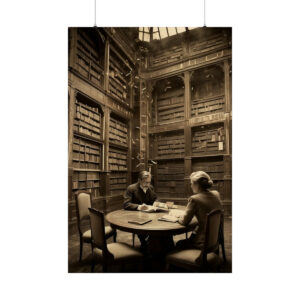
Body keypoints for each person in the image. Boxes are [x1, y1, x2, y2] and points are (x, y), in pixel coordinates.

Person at [175, 171, 222, 249]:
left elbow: (184, 222)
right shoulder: (216, 194)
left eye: (191, 183)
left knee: (179, 244)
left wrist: (176, 218)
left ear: (196, 184)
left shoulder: (194, 199)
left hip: (202, 241)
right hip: (215, 238)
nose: (191, 186)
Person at [123, 171, 158, 252]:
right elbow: (126, 204)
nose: (147, 185)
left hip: (149, 214)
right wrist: (139, 207)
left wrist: (156, 202)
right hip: (135, 216)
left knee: (157, 226)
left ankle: (154, 243)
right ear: (139, 180)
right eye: (145, 182)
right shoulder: (131, 188)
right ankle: (145, 245)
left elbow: (155, 198)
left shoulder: (150, 187)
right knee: (142, 228)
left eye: (149, 182)